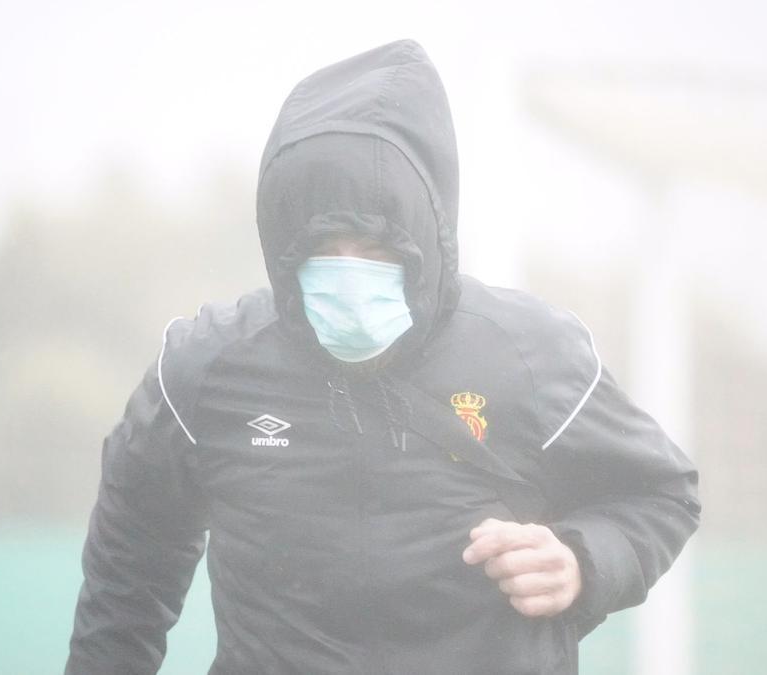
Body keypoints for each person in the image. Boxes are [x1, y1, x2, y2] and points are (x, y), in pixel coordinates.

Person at [65, 39, 699, 675]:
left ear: (426, 232)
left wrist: (581, 562)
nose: (348, 271)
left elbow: (661, 495)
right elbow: (127, 571)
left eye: (373, 245)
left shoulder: (534, 357)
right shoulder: (204, 368)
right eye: (322, 245)